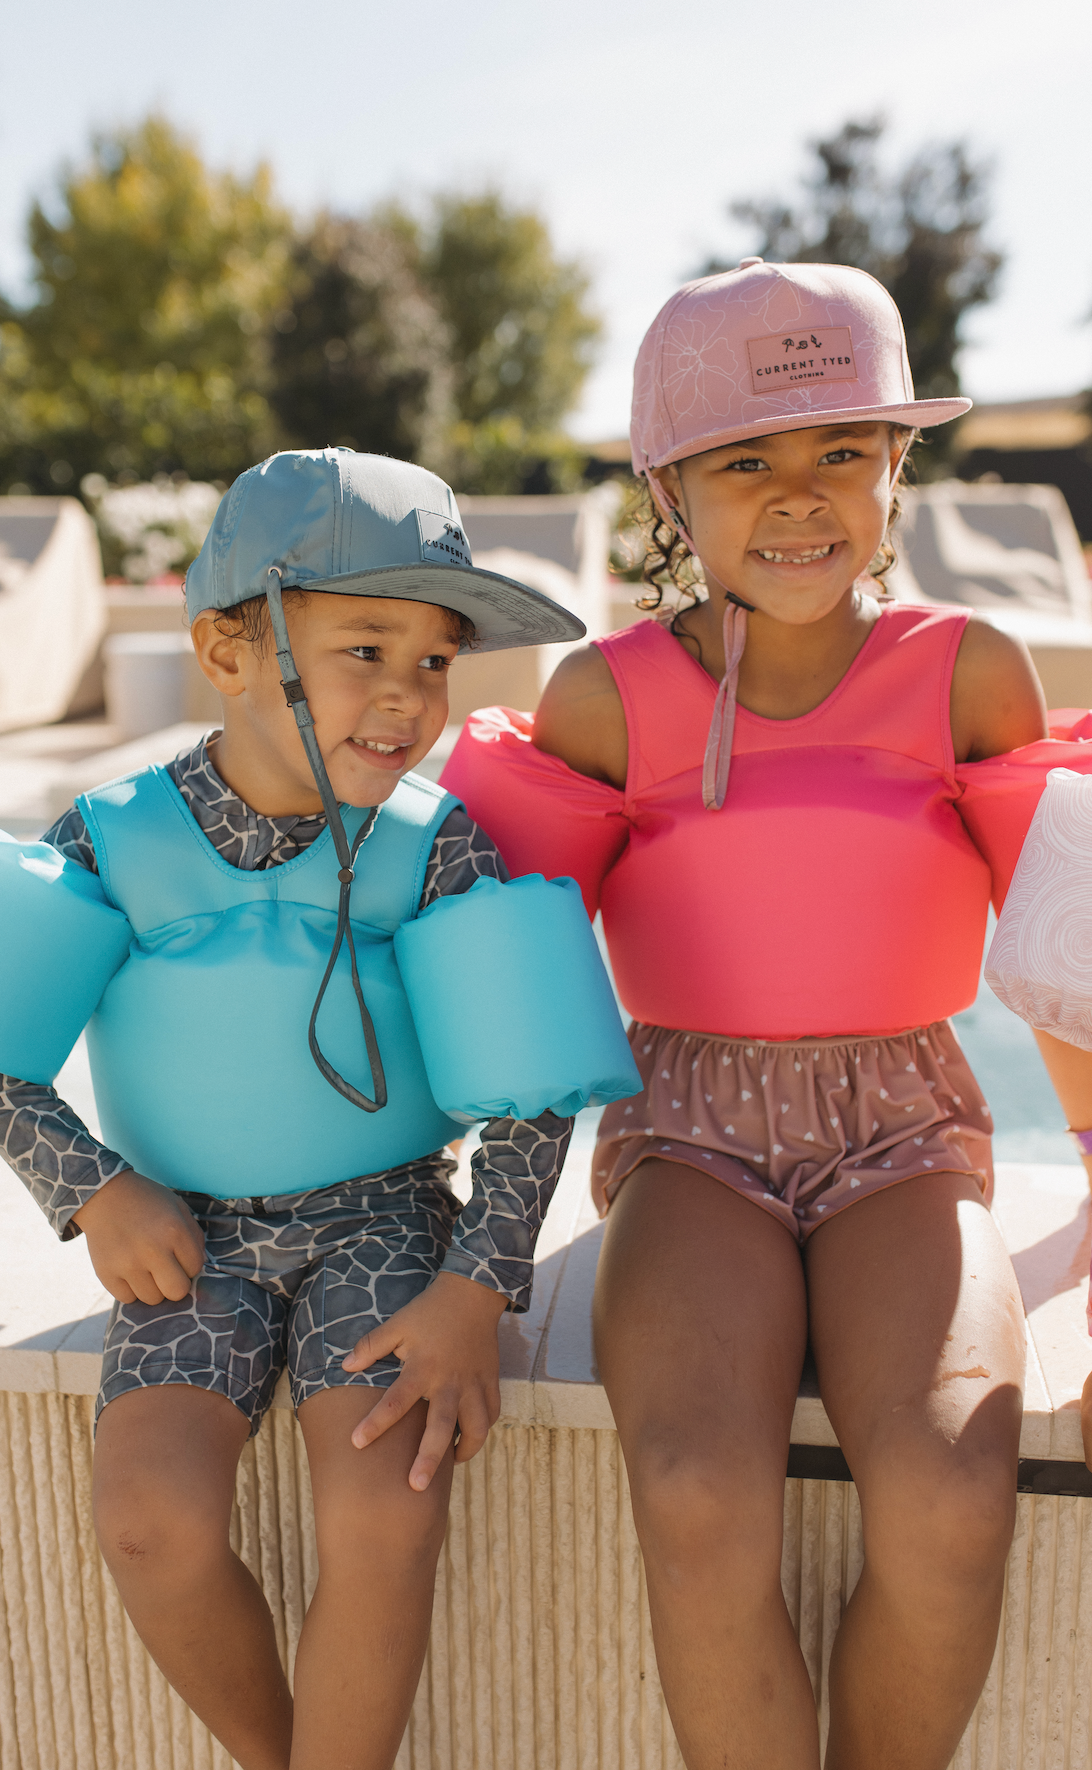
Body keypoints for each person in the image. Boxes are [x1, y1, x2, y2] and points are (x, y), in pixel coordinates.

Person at [440, 261, 1092, 1769]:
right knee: (688, 1478)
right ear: (670, 486)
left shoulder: (963, 673)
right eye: (746, 460)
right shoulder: (602, 697)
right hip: (689, 1134)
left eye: (841, 452)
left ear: (893, 468)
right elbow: (508, 997)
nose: (800, 496)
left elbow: (1069, 965)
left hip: (906, 1133)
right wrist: (463, 1257)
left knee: (946, 1485)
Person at [0, 448, 636, 1770]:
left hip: (383, 1221)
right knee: (148, 1521)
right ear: (226, 650)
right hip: (189, 1231)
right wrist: (86, 1183)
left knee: (384, 1512)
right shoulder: (115, 835)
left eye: (436, 660)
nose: (410, 697)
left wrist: (480, 1281)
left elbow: (535, 1089)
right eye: (367, 647)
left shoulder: (441, 844)